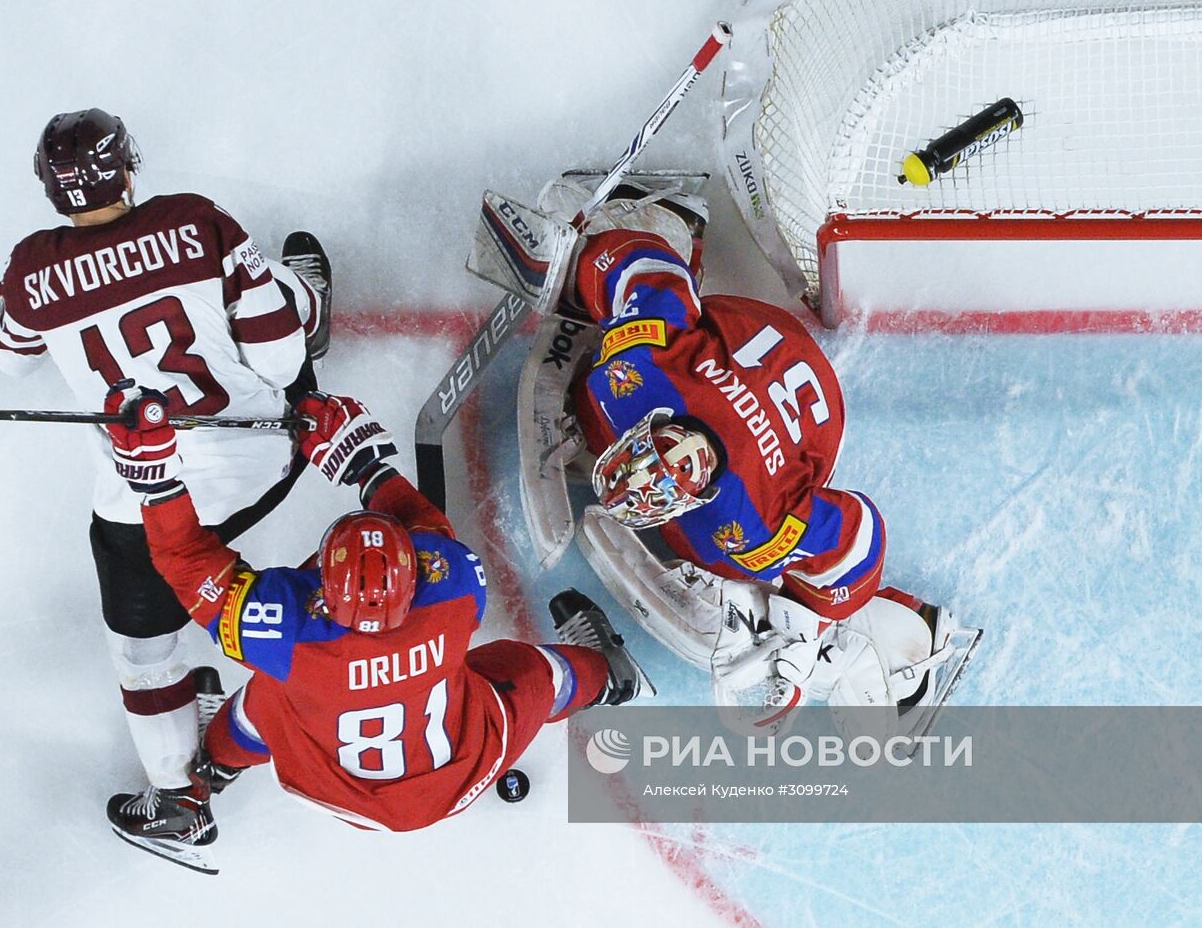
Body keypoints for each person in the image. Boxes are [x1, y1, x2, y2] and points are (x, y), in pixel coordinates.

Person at [100, 385, 652, 871]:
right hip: (465, 762)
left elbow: (187, 561)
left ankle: (202, 785)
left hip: (348, 791)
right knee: (534, 673)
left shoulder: (288, 635)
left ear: (320, 588)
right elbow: (428, 526)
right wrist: (370, 470)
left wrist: (156, 481)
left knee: (271, 698)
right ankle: (611, 677)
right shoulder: (452, 586)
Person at [0, 108, 333, 809]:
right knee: (283, 314)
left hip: (145, 502)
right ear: (129, 166)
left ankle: (176, 798)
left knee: (141, 654)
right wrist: (283, 316)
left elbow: (9, 356)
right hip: (267, 458)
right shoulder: (196, 221)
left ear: (49, 186)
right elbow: (282, 358)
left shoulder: (31, 269)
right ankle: (306, 294)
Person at [552, 186, 977, 728]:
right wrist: (584, 257)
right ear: (644, 429)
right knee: (598, 401)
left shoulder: (753, 518)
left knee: (742, 573)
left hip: (797, 404)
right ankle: (842, 633)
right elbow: (644, 274)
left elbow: (858, 537)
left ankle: (874, 633)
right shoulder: (639, 375)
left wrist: (805, 623)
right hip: (748, 363)